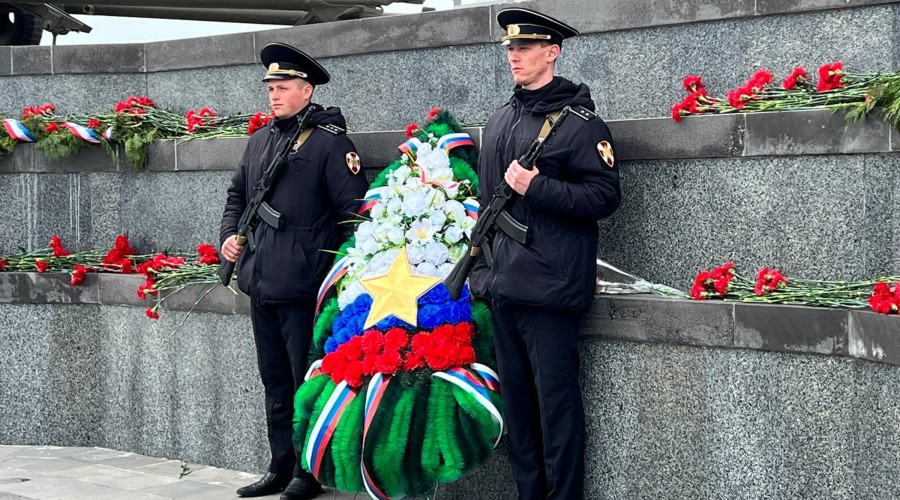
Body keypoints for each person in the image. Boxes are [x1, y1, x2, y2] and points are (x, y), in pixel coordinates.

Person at [473, 8, 621, 500]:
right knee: (519, 408)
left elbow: (604, 197)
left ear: (552, 52)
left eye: (526, 48)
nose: (515, 56)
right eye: (511, 49)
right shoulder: (498, 121)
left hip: (550, 288)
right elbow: (485, 204)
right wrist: (479, 272)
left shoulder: (580, 124)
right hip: (503, 286)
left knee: (556, 410)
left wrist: (538, 187)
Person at [219, 43, 368, 500]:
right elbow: (237, 196)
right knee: (276, 383)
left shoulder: (329, 143)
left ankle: (309, 470)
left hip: (305, 288)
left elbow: (354, 215)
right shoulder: (261, 140)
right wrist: (230, 241)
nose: (273, 95)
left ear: (306, 90)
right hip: (261, 282)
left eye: (282, 87)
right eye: (270, 87)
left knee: (307, 382)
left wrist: (333, 277)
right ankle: (279, 465)